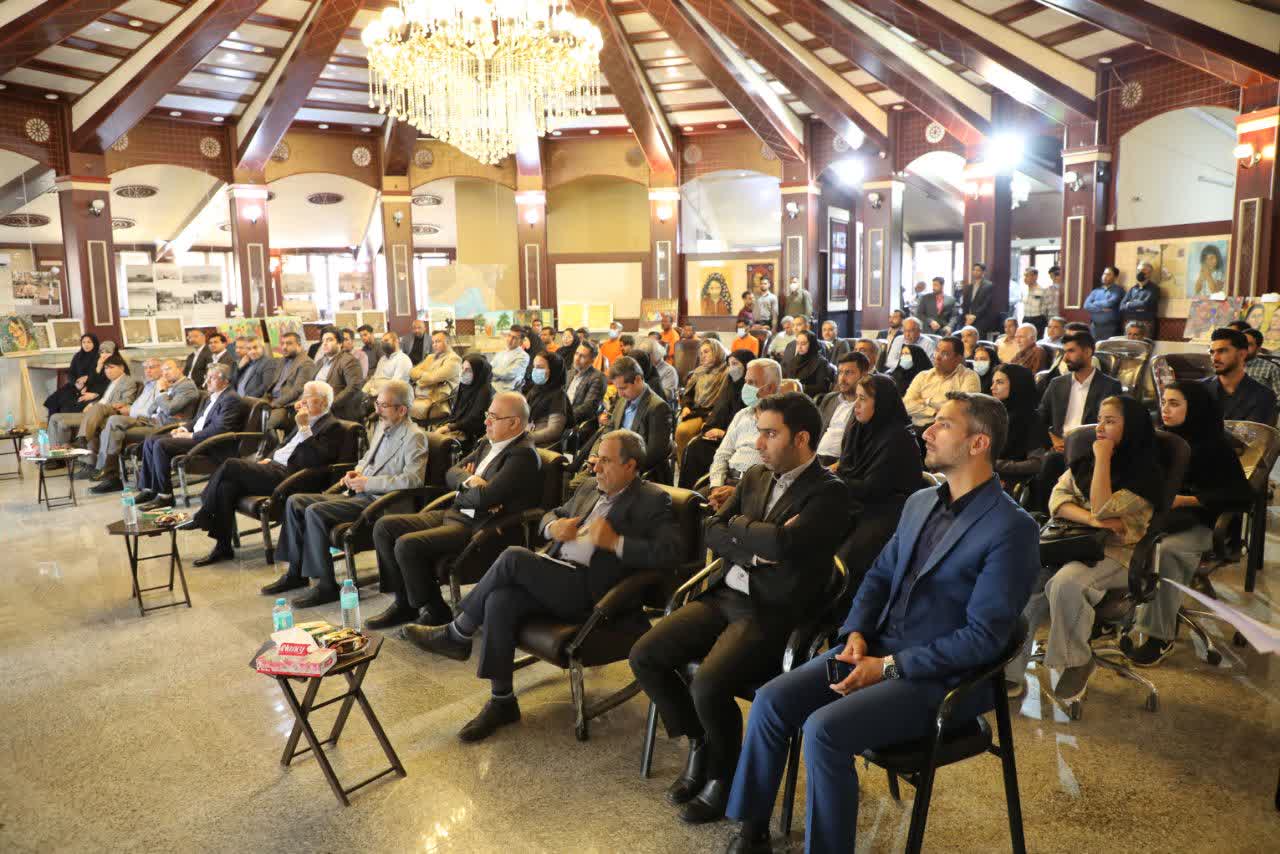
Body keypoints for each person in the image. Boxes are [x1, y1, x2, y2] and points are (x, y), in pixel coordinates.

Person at [723, 392, 1038, 853]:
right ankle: (752, 830)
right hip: (877, 648)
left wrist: (888, 666)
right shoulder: (920, 502)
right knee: (772, 700)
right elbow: (879, 576)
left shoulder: (1011, 528)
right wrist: (855, 632)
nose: (927, 432)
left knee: (824, 731)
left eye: (943, 425)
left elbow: (983, 639)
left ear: (978, 443)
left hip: (941, 677)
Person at [630, 392, 847, 825]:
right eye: (759, 432)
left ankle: (723, 776)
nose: (758, 443)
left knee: (708, 684)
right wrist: (754, 544)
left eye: (770, 434)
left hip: (770, 611)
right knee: (645, 655)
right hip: (725, 595)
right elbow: (711, 528)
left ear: (801, 438)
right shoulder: (754, 475)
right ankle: (700, 741)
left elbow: (782, 545)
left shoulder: (829, 492)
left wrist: (743, 530)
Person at [410, 429, 679, 741]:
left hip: (596, 594)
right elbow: (550, 514)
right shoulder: (590, 487)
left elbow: (669, 553)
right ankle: (502, 700)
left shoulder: (652, 499)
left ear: (630, 465)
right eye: (596, 459)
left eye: (605, 461)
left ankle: (458, 633)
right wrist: (554, 527)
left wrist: (616, 542)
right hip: (558, 575)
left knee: (513, 557)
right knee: (500, 600)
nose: (595, 466)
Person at [373, 391, 543, 626]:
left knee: (407, 544)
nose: (486, 421)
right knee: (384, 527)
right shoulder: (487, 442)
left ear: (514, 423)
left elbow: (484, 499)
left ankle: (435, 610)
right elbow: (451, 473)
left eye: (493, 417)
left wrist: (469, 490)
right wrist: (471, 481)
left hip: (480, 526)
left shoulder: (523, 455)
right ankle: (403, 604)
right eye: (487, 414)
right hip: (457, 512)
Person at [1031, 395, 1160, 705]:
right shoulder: (1084, 460)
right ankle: (1008, 673)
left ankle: (1078, 661)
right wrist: (1091, 519)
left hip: (1119, 553)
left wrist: (1103, 460)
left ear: (1131, 428)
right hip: (1074, 542)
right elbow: (1057, 499)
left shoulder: (1145, 474)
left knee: (1065, 584)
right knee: (1028, 581)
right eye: (1099, 419)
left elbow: (1102, 506)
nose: (1100, 427)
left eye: (1110, 421)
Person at [264, 380, 431, 611]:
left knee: (315, 511)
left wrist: (368, 483)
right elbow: (366, 460)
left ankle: (326, 585)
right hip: (360, 494)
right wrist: (357, 472)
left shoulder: (414, 436)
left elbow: (413, 480)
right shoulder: (383, 426)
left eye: (383, 405)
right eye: (377, 404)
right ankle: (295, 573)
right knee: (295, 501)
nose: (377, 410)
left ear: (402, 410)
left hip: (380, 502)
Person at [1119, 382, 1248, 665]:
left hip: (1204, 524)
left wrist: (1187, 500)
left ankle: (1159, 636)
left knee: (1166, 551)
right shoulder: (1161, 439)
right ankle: (1118, 615)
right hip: (1163, 519)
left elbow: (1240, 495)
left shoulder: (1215, 446)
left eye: (1175, 403)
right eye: (1164, 401)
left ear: (1195, 408)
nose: (1165, 409)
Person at [181, 381, 355, 567]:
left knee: (231, 464)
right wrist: (269, 459)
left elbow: (315, 459)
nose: (302, 401)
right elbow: (284, 446)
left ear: (323, 402)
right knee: (226, 486)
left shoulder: (332, 426)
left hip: (292, 477)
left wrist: (304, 428)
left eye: (308, 397)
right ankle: (223, 547)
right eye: (302, 396)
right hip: (275, 468)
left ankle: (203, 514)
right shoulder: (304, 419)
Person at [833, 373, 923, 583]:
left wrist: (834, 478)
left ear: (880, 403)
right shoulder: (858, 427)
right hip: (855, 501)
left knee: (847, 560)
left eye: (863, 399)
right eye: (856, 397)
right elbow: (846, 469)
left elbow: (872, 489)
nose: (856, 404)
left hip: (885, 510)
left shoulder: (898, 438)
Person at [134, 364, 242, 510]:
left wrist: (190, 435)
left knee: (161, 445)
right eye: (207, 377)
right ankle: (149, 489)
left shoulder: (231, 399)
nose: (207, 381)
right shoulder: (212, 396)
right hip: (198, 436)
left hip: (211, 443)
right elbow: (198, 419)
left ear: (226, 381)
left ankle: (165, 496)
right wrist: (183, 428)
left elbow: (220, 429)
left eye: (212, 378)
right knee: (150, 440)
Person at [88, 359, 198, 491]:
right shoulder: (172, 385)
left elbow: (169, 409)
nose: (165, 373)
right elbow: (152, 409)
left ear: (180, 369)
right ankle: (109, 473)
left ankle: (111, 476)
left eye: (168, 369)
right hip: (152, 421)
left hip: (165, 428)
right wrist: (157, 409)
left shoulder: (186, 386)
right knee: (114, 421)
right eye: (163, 370)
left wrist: (162, 392)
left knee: (115, 431)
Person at [572, 356, 673, 491]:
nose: (620, 393)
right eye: (618, 389)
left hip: (634, 471)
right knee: (574, 486)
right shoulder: (623, 399)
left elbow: (654, 454)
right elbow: (607, 431)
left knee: (584, 489)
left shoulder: (658, 408)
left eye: (623, 388)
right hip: (609, 463)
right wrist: (595, 455)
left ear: (638, 380)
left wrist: (617, 466)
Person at [705, 359, 782, 507]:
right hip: (726, 480)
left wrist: (738, 492)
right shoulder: (742, 415)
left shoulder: (783, 420)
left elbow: (778, 471)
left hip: (756, 491)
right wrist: (716, 487)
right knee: (688, 504)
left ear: (771, 388)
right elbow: (722, 454)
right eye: (746, 382)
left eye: (752, 383)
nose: (746, 387)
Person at [679, 349, 756, 489]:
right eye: (729, 364)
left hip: (735, 444)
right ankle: (687, 494)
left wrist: (723, 433)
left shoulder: (752, 395)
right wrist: (709, 427)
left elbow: (747, 432)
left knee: (698, 450)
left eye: (735, 364)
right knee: (693, 447)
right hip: (721, 439)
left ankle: (702, 488)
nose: (731, 368)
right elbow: (719, 411)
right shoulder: (730, 386)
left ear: (747, 366)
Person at [47, 353, 138, 448]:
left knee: (65, 420)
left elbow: (127, 401)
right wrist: (92, 404)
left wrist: (100, 406)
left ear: (121, 368)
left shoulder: (128, 381)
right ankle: (55, 451)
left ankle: (82, 440)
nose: (108, 371)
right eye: (106, 368)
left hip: (107, 413)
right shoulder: (111, 382)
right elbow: (104, 399)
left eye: (111, 367)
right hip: (94, 412)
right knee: (55, 418)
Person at [1203, 327, 1278, 424]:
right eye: (1212, 352)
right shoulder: (1199, 389)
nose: (1215, 358)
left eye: (1222, 351)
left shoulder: (1264, 396)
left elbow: (1259, 432)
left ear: (1242, 354)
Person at [902, 336, 980, 429]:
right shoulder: (923, 376)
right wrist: (933, 412)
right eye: (937, 351)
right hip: (917, 428)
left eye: (945, 354)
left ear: (958, 359)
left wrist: (926, 401)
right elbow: (906, 405)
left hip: (948, 430)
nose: (938, 357)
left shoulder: (968, 377)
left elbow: (961, 408)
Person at [990, 364, 1048, 483]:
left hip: (1012, 480)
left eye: (999, 382)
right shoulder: (994, 413)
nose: (992, 387)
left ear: (1017, 384)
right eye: (993, 382)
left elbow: (1036, 463)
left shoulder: (1031, 418)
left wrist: (995, 464)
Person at [676, 338, 730, 464]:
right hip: (698, 411)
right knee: (682, 431)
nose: (702, 356)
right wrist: (686, 406)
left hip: (716, 414)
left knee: (704, 435)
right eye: (700, 353)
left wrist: (713, 416)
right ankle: (683, 465)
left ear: (717, 352)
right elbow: (688, 394)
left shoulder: (727, 372)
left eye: (706, 352)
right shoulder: (699, 371)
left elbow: (726, 400)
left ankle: (703, 469)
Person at [815, 352, 869, 466]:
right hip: (816, 457)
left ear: (864, 375)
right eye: (840, 372)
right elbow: (816, 430)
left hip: (842, 464)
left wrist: (838, 465)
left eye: (848, 373)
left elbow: (862, 447)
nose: (842, 379)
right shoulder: (830, 398)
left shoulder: (866, 406)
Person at [433, 353, 494, 448]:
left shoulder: (485, 391)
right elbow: (456, 413)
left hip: (472, 434)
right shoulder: (464, 386)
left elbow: (474, 419)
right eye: (462, 368)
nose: (463, 372)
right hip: (460, 426)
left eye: (468, 370)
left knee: (438, 443)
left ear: (478, 373)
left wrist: (450, 427)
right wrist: (448, 425)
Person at [263, 332, 318, 435]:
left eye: (289, 343)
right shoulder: (282, 360)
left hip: (287, 406)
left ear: (299, 345)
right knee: (249, 415)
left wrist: (274, 404)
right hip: (272, 400)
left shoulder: (306, 363)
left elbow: (297, 391)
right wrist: (264, 400)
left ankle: (271, 445)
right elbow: (274, 384)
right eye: (282, 343)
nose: (284, 347)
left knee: (265, 424)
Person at [43, 333, 105, 416]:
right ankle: (52, 423)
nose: (86, 345)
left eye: (89, 342)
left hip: (90, 387)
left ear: (95, 343)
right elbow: (71, 373)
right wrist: (76, 383)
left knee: (67, 404)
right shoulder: (78, 356)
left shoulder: (99, 358)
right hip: (74, 386)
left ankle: (62, 421)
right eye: (83, 342)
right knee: (53, 400)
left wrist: (85, 381)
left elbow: (99, 377)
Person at [311, 327, 363, 421]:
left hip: (337, 411)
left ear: (340, 343)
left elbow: (354, 387)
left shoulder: (349, 360)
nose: (325, 343)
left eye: (329, 340)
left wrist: (329, 404)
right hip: (317, 408)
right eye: (323, 341)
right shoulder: (320, 362)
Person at [410, 331, 462, 423]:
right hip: (420, 397)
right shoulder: (430, 357)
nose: (434, 345)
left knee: (403, 408)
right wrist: (426, 376)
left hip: (438, 402)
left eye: (438, 341)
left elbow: (432, 378)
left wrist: (421, 376)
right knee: (400, 404)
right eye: (433, 342)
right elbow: (412, 372)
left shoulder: (454, 359)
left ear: (448, 342)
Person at [525, 352, 571, 447]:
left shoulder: (558, 395)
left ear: (553, 370)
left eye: (540, 367)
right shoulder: (535, 390)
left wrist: (525, 438)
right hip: (527, 439)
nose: (535, 371)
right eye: (534, 367)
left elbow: (553, 431)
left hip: (542, 445)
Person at [362, 331, 413, 398]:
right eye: (382, 342)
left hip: (392, 396)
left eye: (386, 340)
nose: (383, 344)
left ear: (396, 341)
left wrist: (375, 393)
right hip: (375, 394)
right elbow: (374, 379)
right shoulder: (382, 359)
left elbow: (394, 384)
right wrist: (363, 391)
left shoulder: (403, 359)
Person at [566, 340, 606, 425]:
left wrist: (565, 418)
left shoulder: (597, 377)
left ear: (592, 360)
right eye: (576, 354)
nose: (577, 358)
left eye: (582, 356)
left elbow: (588, 407)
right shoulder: (569, 373)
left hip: (578, 422)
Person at [786, 331, 834, 398]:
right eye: (797, 343)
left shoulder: (821, 362)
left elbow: (822, 387)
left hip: (808, 398)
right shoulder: (794, 360)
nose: (799, 347)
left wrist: (802, 387)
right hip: (792, 396)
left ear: (812, 344)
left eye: (803, 344)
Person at [1119, 262, 1159, 338]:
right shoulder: (1133, 289)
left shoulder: (1154, 289)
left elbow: (1145, 305)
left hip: (1145, 324)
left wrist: (1129, 304)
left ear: (1149, 273)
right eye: (1138, 270)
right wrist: (1137, 306)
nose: (1139, 272)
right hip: (1130, 324)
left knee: (1144, 344)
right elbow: (1121, 306)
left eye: (1143, 270)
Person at [1084, 266, 1125, 340]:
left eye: (1108, 274)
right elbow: (1086, 305)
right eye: (1104, 274)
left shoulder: (1118, 290)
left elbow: (1109, 303)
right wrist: (1101, 309)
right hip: (1095, 328)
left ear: (1115, 277)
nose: (1105, 276)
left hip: (1111, 328)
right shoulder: (1096, 291)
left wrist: (1094, 303)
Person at [960, 262, 999, 337]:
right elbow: (965, 303)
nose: (975, 272)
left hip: (981, 318)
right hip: (968, 318)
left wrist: (974, 316)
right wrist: (966, 315)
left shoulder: (989, 285)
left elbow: (986, 304)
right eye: (974, 270)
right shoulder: (969, 286)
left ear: (983, 272)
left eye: (978, 270)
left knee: (978, 338)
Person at [1242, 328, 1280, 399]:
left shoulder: (1270, 369)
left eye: (1249, 344)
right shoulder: (1227, 364)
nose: (1243, 347)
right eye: (1241, 343)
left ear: (1258, 348)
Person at [490, 326, 530, 394]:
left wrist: (491, 374)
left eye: (514, 338)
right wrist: (493, 373)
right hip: (493, 387)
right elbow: (490, 367)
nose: (510, 339)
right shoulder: (501, 353)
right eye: (509, 335)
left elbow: (509, 374)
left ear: (521, 341)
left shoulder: (523, 356)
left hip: (508, 392)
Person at [1020, 267, 1058, 337]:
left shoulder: (1042, 290)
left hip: (1038, 319)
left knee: (1037, 339)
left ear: (1035, 277)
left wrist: (1047, 321)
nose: (1025, 278)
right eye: (1024, 275)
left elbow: (1047, 307)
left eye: (1027, 275)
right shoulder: (1024, 290)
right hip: (1026, 318)